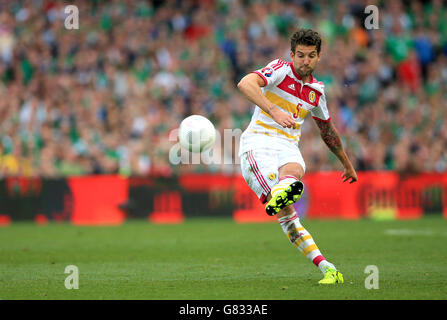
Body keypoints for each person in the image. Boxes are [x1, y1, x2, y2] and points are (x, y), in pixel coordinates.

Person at [236, 28, 358, 285]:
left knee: (295, 173)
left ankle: (329, 269)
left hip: (288, 147)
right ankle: (281, 192)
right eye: (300, 55)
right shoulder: (280, 69)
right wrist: (274, 110)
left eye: (311, 56)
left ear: (318, 57)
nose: (305, 61)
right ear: (292, 54)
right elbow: (245, 83)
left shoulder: (317, 92)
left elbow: (328, 131)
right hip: (257, 144)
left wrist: (346, 164)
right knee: (289, 214)